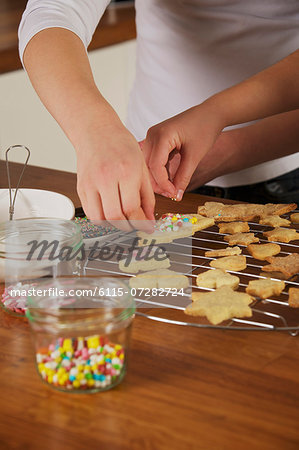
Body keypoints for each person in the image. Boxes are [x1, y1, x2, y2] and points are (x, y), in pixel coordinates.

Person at [19, 0, 299, 231]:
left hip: (285, 177)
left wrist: (224, 132)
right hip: (145, 172)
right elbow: (52, 11)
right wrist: (96, 130)